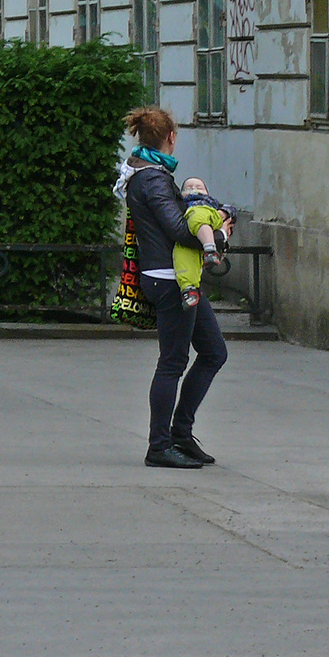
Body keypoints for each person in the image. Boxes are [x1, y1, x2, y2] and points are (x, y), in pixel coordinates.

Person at [118, 106, 231, 470]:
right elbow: (179, 230)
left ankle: (180, 434)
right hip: (170, 280)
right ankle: (159, 445)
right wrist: (220, 234)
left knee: (214, 352)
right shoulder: (152, 178)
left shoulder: (146, 172)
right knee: (172, 362)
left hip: (179, 277)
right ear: (171, 137)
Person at [175, 178, 230, 308]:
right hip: (192, 228)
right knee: (181, 252)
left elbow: (231, 210)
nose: (193, 189)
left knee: (197, 215)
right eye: (188, 188)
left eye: (199, 187)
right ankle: (188, 289)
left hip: (209, 217)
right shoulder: (180, 205)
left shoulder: (211, 203)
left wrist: (223, 213)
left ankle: (210, 248)